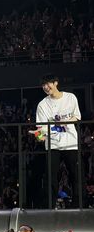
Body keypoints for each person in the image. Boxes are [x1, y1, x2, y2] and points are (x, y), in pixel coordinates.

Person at [31, 73, 81, 208]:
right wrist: (38, 135)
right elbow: (41, 129)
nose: (46, 87)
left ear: (55, 83)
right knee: (51, 178)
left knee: (76, 176)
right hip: (53, 144)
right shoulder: (42, 105)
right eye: (43, 85)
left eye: (48, 84)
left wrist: (63, 122)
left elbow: (77, 117)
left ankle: (79, 205)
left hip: (71, 143)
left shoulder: (71, 97)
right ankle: (49, 206)